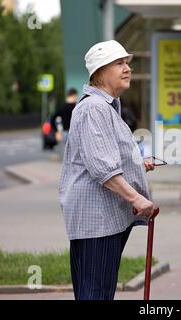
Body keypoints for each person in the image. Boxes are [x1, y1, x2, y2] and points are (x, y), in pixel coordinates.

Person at [58, 40, 157, 300]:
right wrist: (137, 198)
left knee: (96, 290)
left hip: (102, 219)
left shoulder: (107, 106)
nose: (127, 69)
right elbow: (102, 168)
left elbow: (104, 155)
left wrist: (137, 164)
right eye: (119, 63)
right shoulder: (94, 108)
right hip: (96, 221)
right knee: (96, 293)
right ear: (100, 72)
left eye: (128, 63)